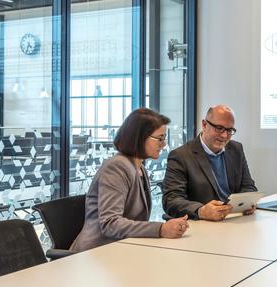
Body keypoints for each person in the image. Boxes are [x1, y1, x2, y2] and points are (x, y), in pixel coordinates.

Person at [70, 108, 188, 252]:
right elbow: (110, 224)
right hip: (97, 253)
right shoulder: (116, 167)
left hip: (122, 249)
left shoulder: (139, 168)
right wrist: (161, 229)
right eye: (160, 138)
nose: (163, 144)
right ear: (139, 138)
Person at [162, 105, 257, 221]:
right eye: (219, 128)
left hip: (232, 221)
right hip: (200, 225)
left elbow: (248, 186)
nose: (224, 135)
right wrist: (201, 211)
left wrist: (248, 202)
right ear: (204, 124)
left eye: (229, 130)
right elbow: (171, 200)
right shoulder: (181, 156)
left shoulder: (236, 149)